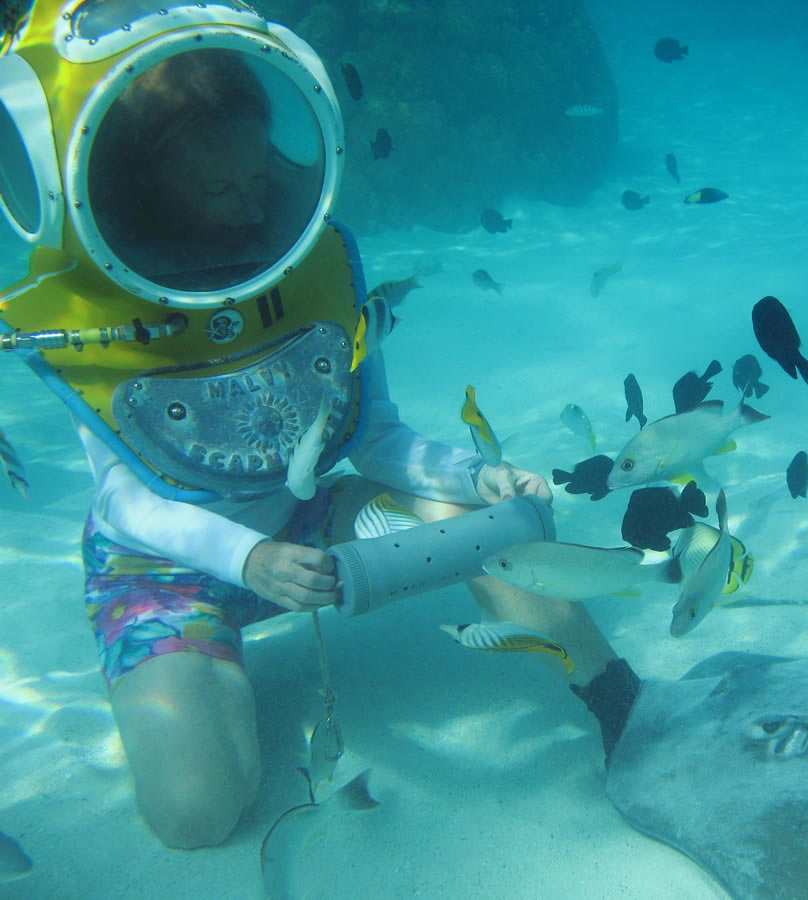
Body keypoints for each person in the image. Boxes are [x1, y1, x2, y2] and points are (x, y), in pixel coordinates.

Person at [0, 3, 641, 852]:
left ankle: (618, 697)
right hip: (164, 567)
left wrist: (472, 477)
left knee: (491, 531)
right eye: (216, 189)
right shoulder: (99, 310)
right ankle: (194, 675)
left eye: (259, 177)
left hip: (308, 513)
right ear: (149, 186)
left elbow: (375, 440)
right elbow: (124, 507)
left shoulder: (317, 267)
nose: (246, 207)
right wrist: (247, 561)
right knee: (196, 818)